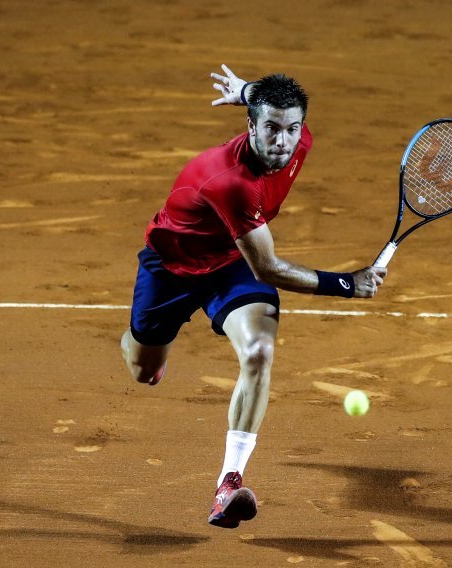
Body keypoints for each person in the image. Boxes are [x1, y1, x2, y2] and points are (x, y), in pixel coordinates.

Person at [121, 64, 387, 529]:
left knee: (260, 352)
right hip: (173, 266)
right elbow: (271, 268)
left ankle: (228, 482)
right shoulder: (231, 181)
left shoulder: (299, 141)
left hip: (231, 261)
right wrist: (347, 283)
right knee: (143, 370)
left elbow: (254, 265)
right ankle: (149, 353)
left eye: (291, 128)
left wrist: (249, 91)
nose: (283, 142)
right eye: (271, 129)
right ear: (250, 126)